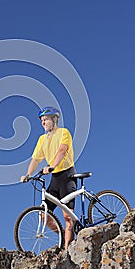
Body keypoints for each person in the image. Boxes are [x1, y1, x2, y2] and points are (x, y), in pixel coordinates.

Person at [20, 106, 77, 249]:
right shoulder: (42, 139)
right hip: (55, 179)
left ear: (55, 119)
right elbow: (35, 159)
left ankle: (67, 251)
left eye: (46, 119)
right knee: (44, 215)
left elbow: (62, 151)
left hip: (67, 176)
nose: (43, 123)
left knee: (67, 217)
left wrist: (52, 166)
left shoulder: (64, 133)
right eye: (41, 120)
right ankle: (64, 235)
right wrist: (28, 174)